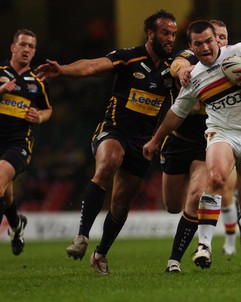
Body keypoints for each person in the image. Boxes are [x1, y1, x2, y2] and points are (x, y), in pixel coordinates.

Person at [36, 10, 177, 274]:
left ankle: (100, 254)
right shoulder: (128, 57)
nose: (170, 38)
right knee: (108, 164)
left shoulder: (174, 68)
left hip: (143, 142)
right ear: (150, 34)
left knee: (121, 203)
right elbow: (91, 66)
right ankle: (81, 236)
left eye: (173, 34)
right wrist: (62, 69)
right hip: (114, 129)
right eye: (165, 33)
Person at [143, 20, 241, 269]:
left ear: (217, 40)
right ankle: (204, 247)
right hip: (221, 132)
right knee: (216, 177)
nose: (205, 47)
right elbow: (177, 112)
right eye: (198, 44)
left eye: (209, 41)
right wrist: (156, 140)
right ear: (191, 47)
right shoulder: (195, 77)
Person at [163, 20, 237, 273]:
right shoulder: (192, 57)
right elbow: (177, 63)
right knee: (173, 205)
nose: (219, 41)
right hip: (178, 140)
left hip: (209, 142)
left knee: (195, 197)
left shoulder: (233, 61)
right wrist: (182, 71)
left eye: (223, 37)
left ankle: (175, 260)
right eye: (215, 37)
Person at [0, 29, 52, 255]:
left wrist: (39, 117)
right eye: (23, 45)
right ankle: (16, 225)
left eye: (31, 46)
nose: (27, 49)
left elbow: (48, 109)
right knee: (6, 193)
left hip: (18, 144)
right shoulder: (0, 73)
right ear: (13, 47)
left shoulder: (37, 82)